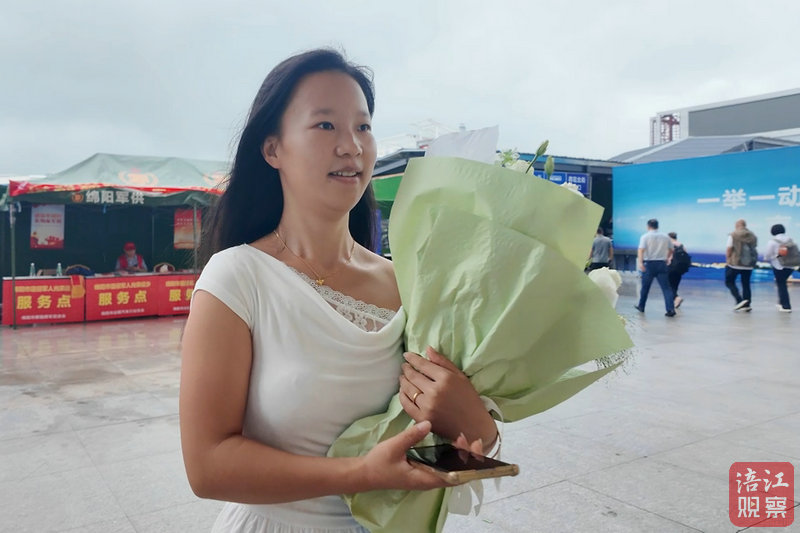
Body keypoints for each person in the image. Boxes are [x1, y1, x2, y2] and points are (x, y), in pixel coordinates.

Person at [179, 49, 499, 533]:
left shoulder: (410, 282)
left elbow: (453, 440)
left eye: (363, 127)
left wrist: (477, 425)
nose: (351, 146)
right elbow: (207, 466)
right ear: (273, 150)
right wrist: (360, 474)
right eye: (325, 125)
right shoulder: (237, 278)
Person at [634, 218, 676, 316]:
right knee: (666, 288)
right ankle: (670, 309)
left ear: (648, 226)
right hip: (661, 264)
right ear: (658, 226)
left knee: (645, 287)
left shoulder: (645, 236)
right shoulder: (665, 236)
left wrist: (640, 263)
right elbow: (671, 249)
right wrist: (667, 258)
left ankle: (641, 306)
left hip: (649, 264)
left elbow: (641, 250)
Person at [725, 219, 757, 312]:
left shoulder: (733, 235)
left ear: (737, 225)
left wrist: (728, 260)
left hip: (735, 263)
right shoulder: (753, 236)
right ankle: (747, 303)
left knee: (729, 282)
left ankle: (739, 300)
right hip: (749, 264)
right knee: (746, 284)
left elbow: (729, 248)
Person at [763, 224, 794, 312]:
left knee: (781, 285)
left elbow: (767, 255)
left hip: (779, 266)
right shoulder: (790, 240)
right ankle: (781, 302)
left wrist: (767, 259)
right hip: (790, 265)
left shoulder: (772, 241)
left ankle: (786, 306)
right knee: (782, 283)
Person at [667, 232, 688, 308]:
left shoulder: (669, 245)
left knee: (668, 285)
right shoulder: (682, 246)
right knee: (675, 285)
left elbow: (667, 256)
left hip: (671, 267)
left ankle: (676, 298)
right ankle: (675, 300)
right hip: (680, 269)